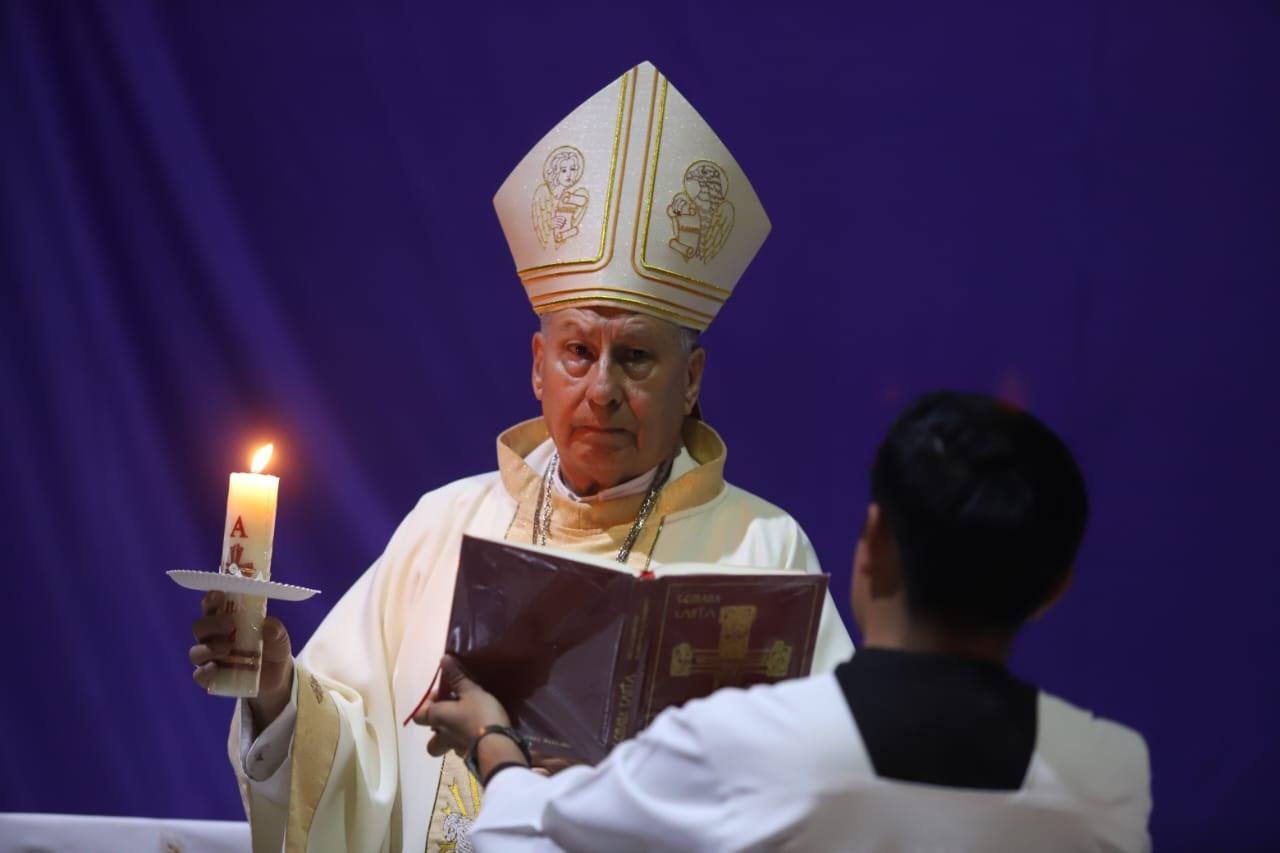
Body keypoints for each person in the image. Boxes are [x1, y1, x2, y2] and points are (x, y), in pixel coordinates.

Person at [187, 60, 853, 853]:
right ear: (538, 364)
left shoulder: (761, 549)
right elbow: (350, 761)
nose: (601, 388)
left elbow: (826, 791)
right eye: (578, 351)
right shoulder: (446, 524)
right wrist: (275, 696)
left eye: (636, 356)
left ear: (693, 379)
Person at [422, 392, 1153, 852]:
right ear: (1056, 588)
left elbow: (527, 839)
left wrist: (494, 740)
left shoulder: (746, 742)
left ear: (874, 545)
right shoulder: (1109, 773)